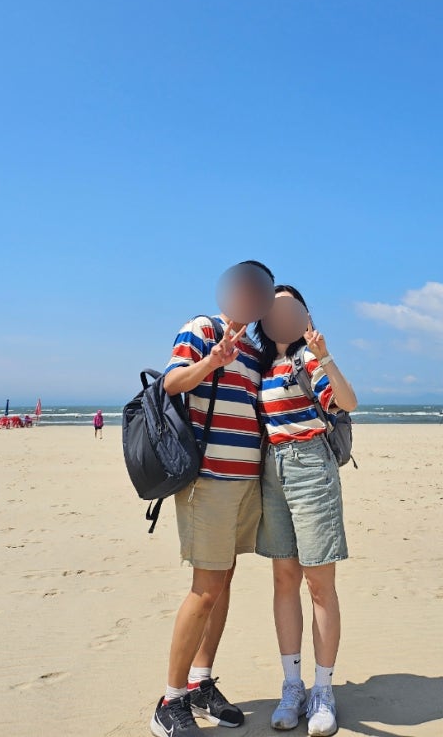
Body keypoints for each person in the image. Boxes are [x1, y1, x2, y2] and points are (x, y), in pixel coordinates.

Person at [150, 261, 274, 737]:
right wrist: (212, 362)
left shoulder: (257, 352)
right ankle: (170, 700)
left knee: (222, 583)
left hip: (245, 482)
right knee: (204, 590)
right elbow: (170, 384)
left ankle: (200, 682)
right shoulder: (202, 329)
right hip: (208, 481)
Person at [254, 285, 357, 737]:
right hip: (271, 471)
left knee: (319, 583)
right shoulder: (259, 367)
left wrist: (324, 354)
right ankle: (292, 686)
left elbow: (348, 403)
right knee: (284, 579)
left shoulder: (308, 361)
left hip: (311, 466)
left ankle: (323, 690)